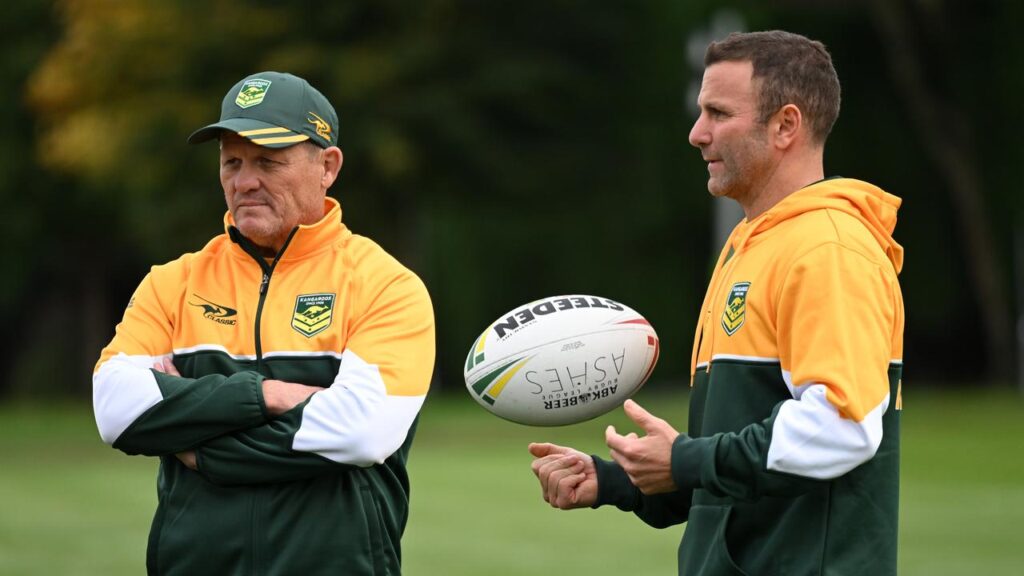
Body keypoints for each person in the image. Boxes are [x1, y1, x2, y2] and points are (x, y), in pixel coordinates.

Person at [529, 30, 904, 575]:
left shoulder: (829, 249)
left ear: (785, 126)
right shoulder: (749, 247)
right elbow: (730, 471)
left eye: (718, 113)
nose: (696, 133)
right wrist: (619, 480)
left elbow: (841, 430)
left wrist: (685, 458)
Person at [93, 71, 436, 575]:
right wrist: (265, 396)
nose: (244, 181)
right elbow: (115, 410)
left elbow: (362, 433)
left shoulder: (386, 285)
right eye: (231, 162)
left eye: (268, 162)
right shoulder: (173, 282)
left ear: (328, 166)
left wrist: (195, 444)